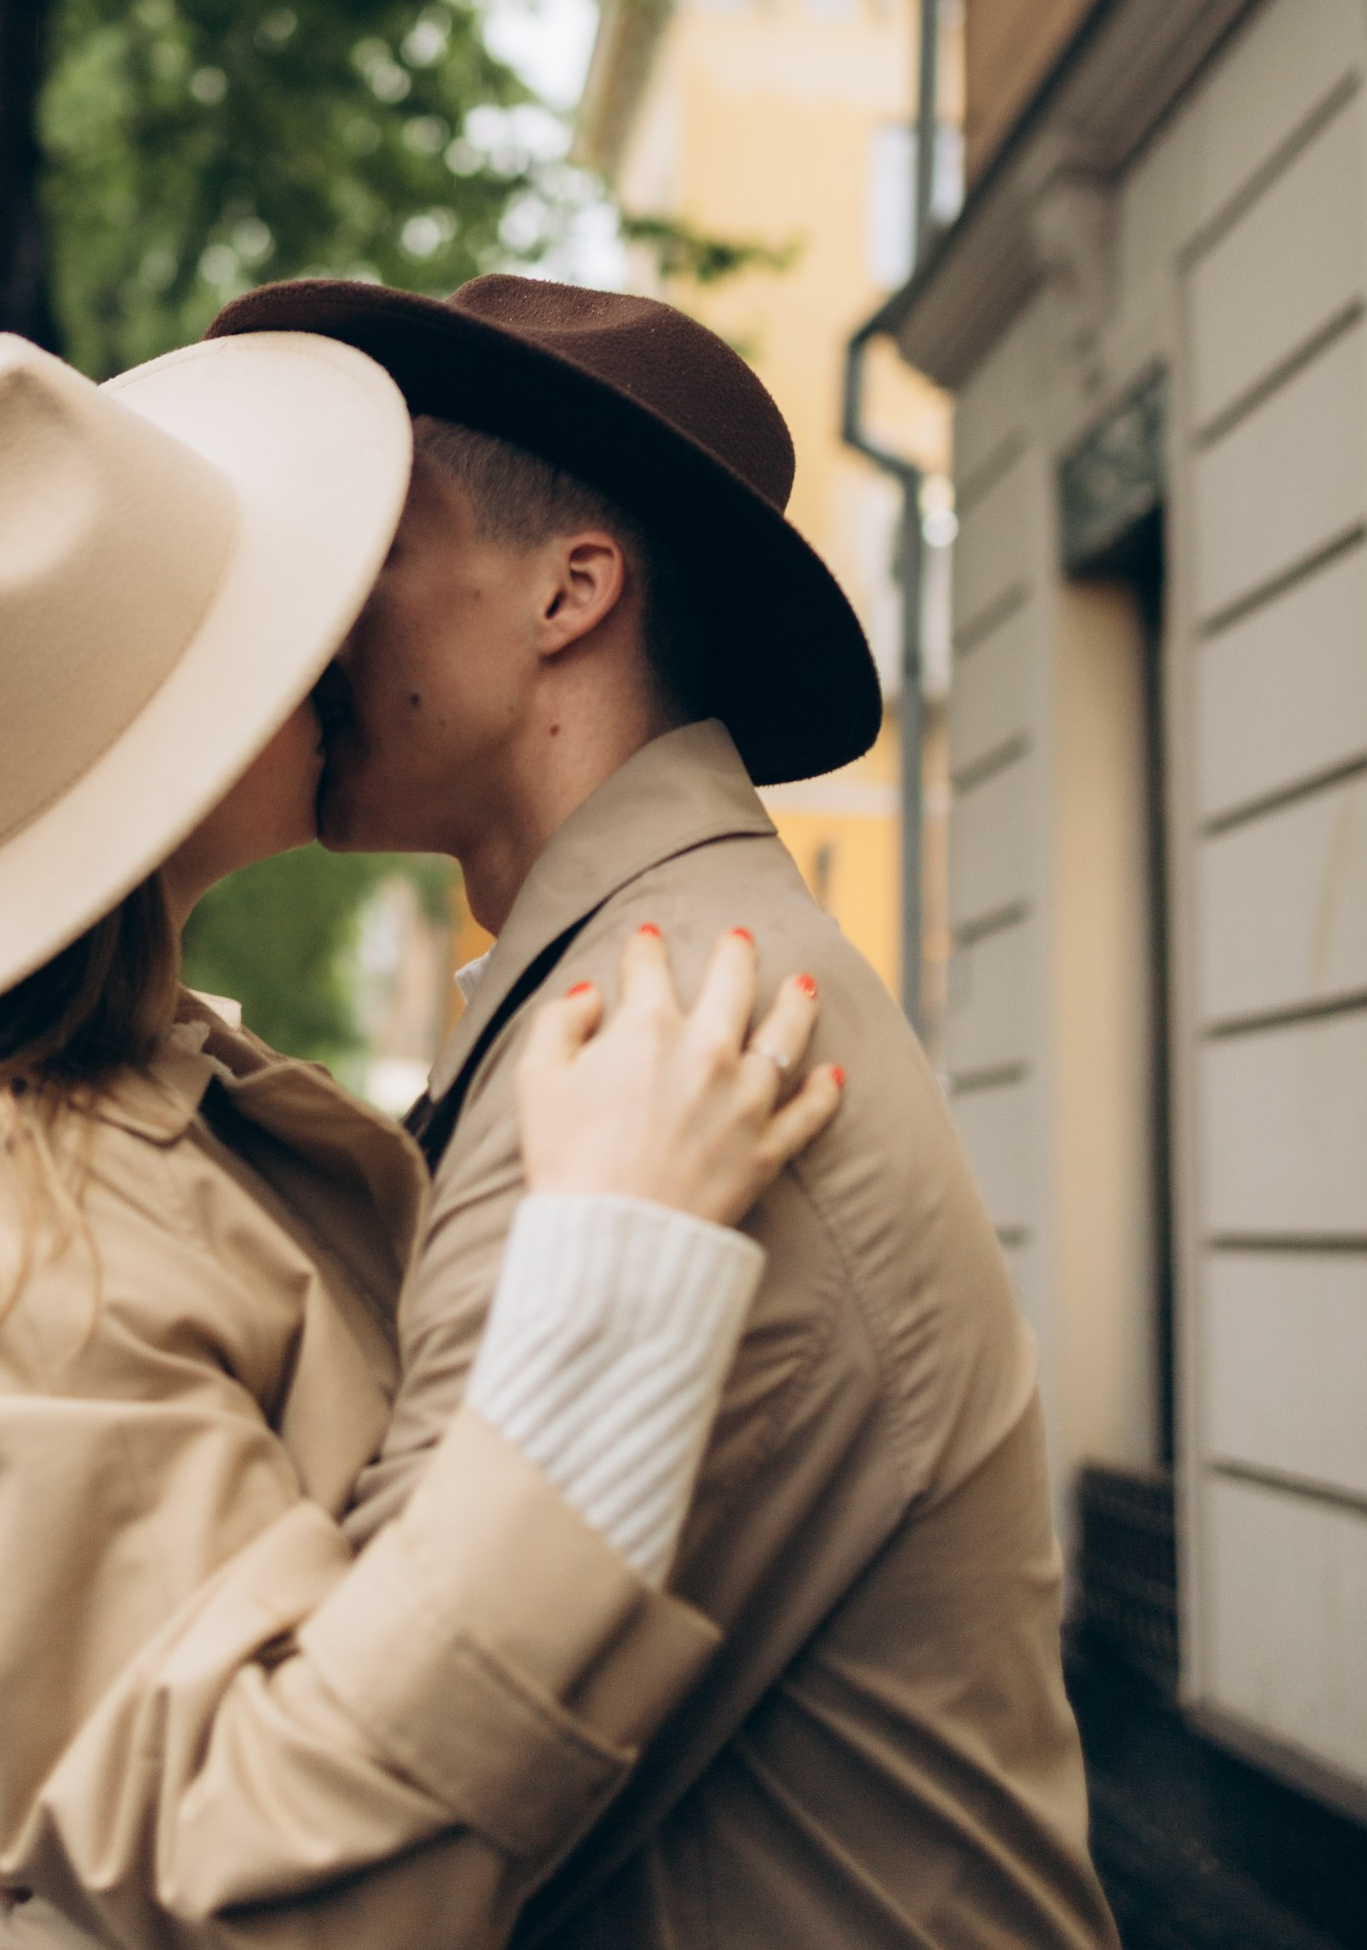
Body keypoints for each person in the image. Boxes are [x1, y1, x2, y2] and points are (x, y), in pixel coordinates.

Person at [0, 327, 843, 1950]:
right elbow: (265, 1882)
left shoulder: (169, 1090)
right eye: (267, 616)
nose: (335, 629)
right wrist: (615, 1286)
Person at [207, 272, 1121, 1950]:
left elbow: (386, 1815)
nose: (319, 610)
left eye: (377, 540)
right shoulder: (616, 988)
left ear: (570, 591)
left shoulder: (675, 1031)